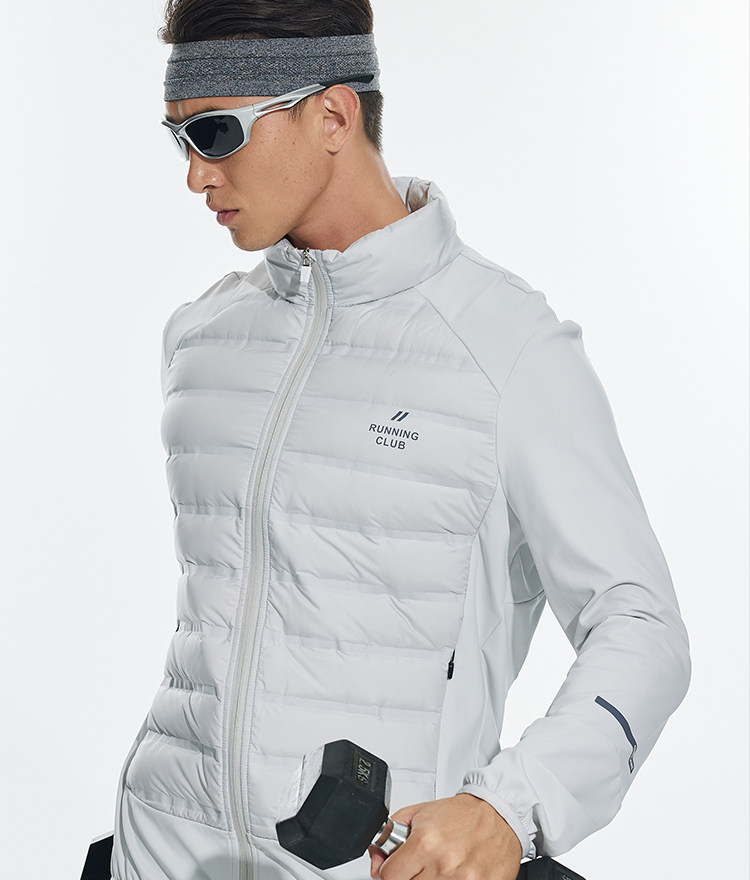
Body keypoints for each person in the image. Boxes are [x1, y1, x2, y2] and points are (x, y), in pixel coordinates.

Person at [110, 1, 691, 878]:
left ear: (333, 115)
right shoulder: (201, 340)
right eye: (178, 138)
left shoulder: (507, 350)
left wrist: (512, 807)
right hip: (153, 854)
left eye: (217, 133)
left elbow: (641, 626)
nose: (196, 175)